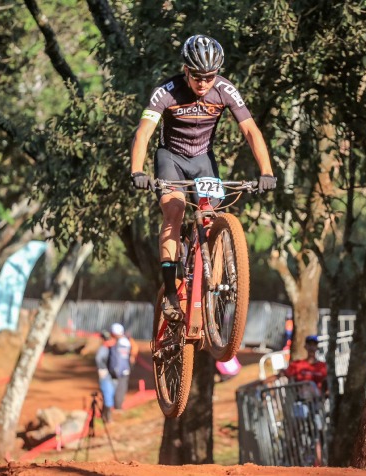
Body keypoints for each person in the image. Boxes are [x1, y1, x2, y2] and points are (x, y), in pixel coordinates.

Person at [130, 34, 277, 320]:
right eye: (197, 76)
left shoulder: (224, 90)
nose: (203, 83)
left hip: (202, 162)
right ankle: (171, 292)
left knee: (213, 218)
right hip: (170, 158)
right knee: (174, 210)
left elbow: (250, 131)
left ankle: (214, 287)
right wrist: (138, 170)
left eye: (209, 76)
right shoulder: (167, 91)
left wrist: (267, 172)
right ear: (185, 69)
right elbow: (144, 132)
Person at [95, 323, 133, 422]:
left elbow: (99, 358)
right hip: (111, 374)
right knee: (108, 395)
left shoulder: (113, 344)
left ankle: (108, 417)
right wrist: (102, 369)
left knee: (110, 395)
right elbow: (99, 358)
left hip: (113, 375)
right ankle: (107, 417)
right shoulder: (120, 343)